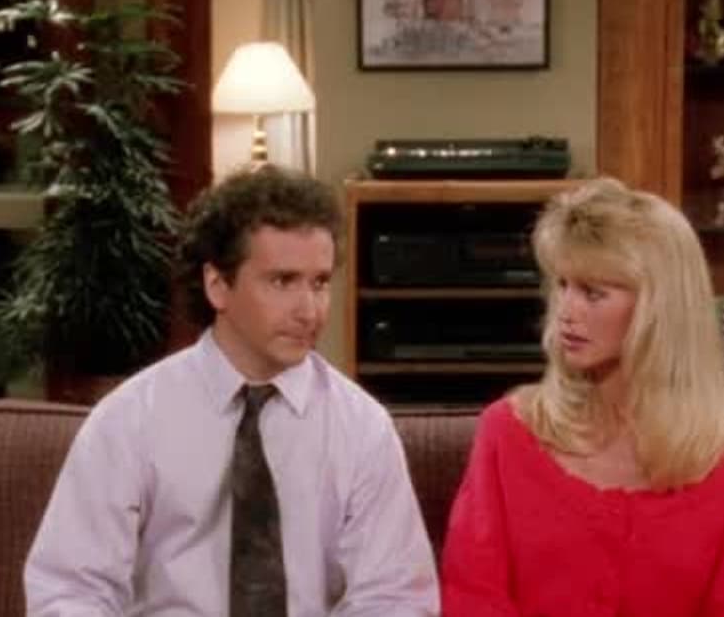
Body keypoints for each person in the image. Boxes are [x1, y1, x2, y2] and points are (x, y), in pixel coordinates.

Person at [24, 167, 440, 616]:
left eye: (319, 282)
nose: (309, 310)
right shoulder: (130, 419)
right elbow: (70, 592)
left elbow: (394, 597)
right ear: (217, 285)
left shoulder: (362, 428)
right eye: (282, 281)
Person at [440, 178, 724, 615]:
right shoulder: (508, 432)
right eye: (562, 285)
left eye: (593, 293)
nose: (566, 312)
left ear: (658, 308)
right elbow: (473, 597)